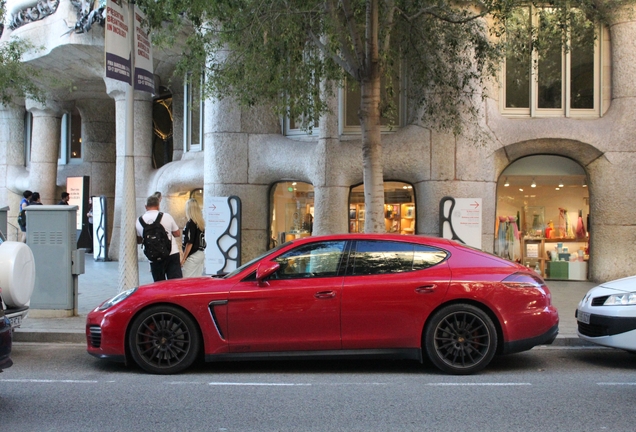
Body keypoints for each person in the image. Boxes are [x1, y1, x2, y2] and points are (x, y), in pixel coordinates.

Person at [136, 195, 182, 281]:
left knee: (159, 284)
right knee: (176, 283)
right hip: (171, 253)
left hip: (154, 256)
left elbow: (139, 240)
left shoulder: (139, 221)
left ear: (145, 206)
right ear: (158, 206)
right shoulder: (167, 216)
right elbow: (177, 233)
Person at [181, 199, 206, 277]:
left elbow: (190, 242)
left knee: (186, 279)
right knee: (197, 279)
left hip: (193, 255)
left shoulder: (190, 223)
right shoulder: (200, 223)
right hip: (201, 253)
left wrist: (184, 258)